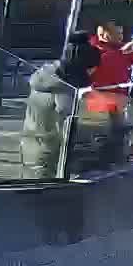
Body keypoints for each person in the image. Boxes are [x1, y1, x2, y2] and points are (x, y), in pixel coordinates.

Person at [19, 33, 101, 178]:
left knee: (31, 189)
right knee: (46, 193)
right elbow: (70, 124)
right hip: (50, 151)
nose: (93, 72)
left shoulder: (47, 76)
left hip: (31, 143)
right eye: (91, 69)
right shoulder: (64, 89)